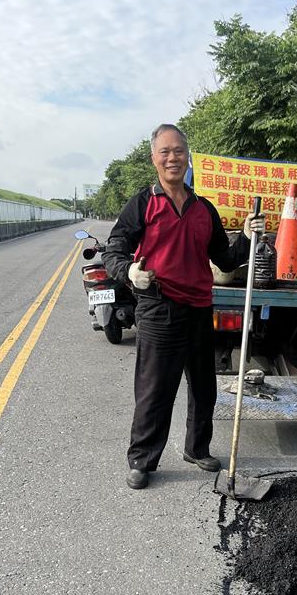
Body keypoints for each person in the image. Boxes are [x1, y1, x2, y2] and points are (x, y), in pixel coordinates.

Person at [102, 123, 264, 490]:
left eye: (179, 151)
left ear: (188, 157)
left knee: (204, 387)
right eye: (165, 151)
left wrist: (248, 239)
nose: (173, 157)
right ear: (154, 159)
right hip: (158, 308)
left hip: (199, 308)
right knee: (155, 389)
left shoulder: (204, 209)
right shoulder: (143, 204)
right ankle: (142, 459)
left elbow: (224, 259)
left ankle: (196, 448)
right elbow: (114, 249)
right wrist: (128, 271)